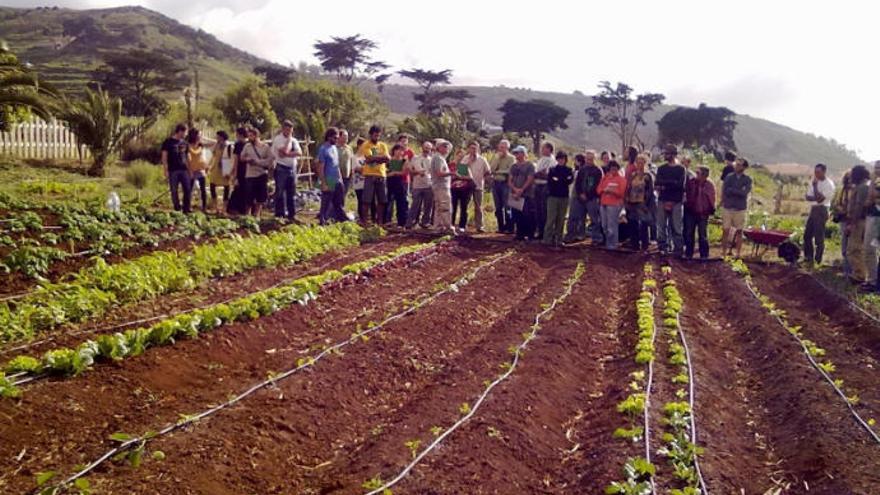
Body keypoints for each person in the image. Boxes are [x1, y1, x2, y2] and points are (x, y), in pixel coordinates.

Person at [655, 145, 687, 256]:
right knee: (661, 225)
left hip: (676, 202)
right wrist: (671, 183)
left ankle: (678, 249)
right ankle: (663, 247)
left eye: (667, 153)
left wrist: (665, 184)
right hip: (662, 200)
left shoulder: (681, 169)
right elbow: (658, 183)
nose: (665, 155)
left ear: (673, 155)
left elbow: (680, 186)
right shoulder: (661, 168)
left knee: (677, 226)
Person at [566, 150, 604, 244]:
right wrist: (580, 194)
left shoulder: (598, 171)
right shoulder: (582, 169)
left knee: (595, 219)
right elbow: (577, 183)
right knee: (576, 217)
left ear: (594, 159)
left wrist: (588, 195)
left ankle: (596, 238)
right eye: (587, 159)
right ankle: (574, 235)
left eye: (591, 159)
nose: (589, 161)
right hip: (580, 197)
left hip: (592, 198)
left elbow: (598, 185)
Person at [802, 163, 836, 267]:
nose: (816, 174)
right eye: (815, 172)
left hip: (822, 210)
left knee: (818, 236)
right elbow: (808, 197)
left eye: (818, 172)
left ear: (824, 172)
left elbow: (821, 199)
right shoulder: (814, 182)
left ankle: (818, 259)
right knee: (807, 235)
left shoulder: (828, 184)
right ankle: (808, 257)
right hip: (814, 209)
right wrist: (816, 196)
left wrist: (816, 188)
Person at [357, 125, 390, 225]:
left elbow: (388, 158)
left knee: (382, 200)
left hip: (381, 174)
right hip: (369, 174)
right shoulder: (365, 145)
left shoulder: (383, 145)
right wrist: (381, 158)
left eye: (379, 136)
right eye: (375, 135)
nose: (377, 137)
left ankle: (379, 222)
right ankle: (365, 221)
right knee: (367, 200)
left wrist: (375, 158)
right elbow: (369, 159)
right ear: (370, 135)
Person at [721, 158, 753, 258]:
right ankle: (724, 253)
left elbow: (744, 193)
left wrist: (732, 190)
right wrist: (738, 190)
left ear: (744, 167)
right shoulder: (729, 177)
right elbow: (725, 190)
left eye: (739, 165)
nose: (737, 166)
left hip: (740, 208)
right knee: (725, 230)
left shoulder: (747, 179)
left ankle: (738, 254)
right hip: (728, 207)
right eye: (736, 164)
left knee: (739, 231)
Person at [624, 153, 656, 251]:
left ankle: (645, 246)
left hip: (643, 203)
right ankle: (635, 245)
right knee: (633, 224)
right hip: (632, 202)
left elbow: (650, 190)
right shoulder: (633, 175)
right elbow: (629, 187)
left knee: (644, 225)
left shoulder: (648, 176)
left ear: (645, 163)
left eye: (641, 163)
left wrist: (646, 203)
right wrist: (627, 200)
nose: (639, 165)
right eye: (638, 163)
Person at [316, 127, 348, 225]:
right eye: (335, 138)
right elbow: (320, 167)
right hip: (329, 179)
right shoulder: (323, 149)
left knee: (339, 203)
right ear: (329, 137)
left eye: (337, 138)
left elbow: (336, 164)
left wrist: (341, 179)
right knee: (326, 203)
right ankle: (322, 222)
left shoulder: (334, 148)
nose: (336, 140)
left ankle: (341, 221)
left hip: (337, 179)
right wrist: (323, 183)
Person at [271, 120, 301, 221]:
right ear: (283, 129)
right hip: (281, 168)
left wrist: (287, 154)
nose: (289, 132)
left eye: (290, 130)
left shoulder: (295, 140)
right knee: (280, 192)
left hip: (292, 169)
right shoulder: (278, 139)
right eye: (287, 129)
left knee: (291, 192)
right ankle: (280, 214)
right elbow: (283, 151)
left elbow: (299, 152)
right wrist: (288, 141)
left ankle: (292, 214)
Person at [683, 166, 716, 259]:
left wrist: (710, 210)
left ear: (704, 175)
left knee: (702, 234)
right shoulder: (691, 183)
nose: (696, 174)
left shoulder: (709, 185)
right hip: (691, 211)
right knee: (689, 233)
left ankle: (704, 255)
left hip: (703, 213)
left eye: (698, 173)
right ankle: (688, 254)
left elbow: (712, 199)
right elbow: (687, 195)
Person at [240, 127, 274, 217]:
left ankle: (257, 215)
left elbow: (270, 159)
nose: (249, 138)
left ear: (256, 136)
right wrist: (248, 159)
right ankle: (247, 215)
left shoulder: (265, 147)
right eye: (248, 136)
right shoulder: (247, 146)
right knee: (249, 196)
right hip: (250, 175)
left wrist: (259, 162)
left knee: (260, 196)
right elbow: (241, 157)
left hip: (261, 174)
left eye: (251, 136)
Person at [543, 150, 574, 247]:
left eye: (563, 159)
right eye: (559, 159)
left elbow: (569, 180)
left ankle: (559, 239)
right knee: (551, 218)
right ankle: (547, 239)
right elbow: (551, 182)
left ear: (566, 160)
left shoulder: (569, 170)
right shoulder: (552, 170)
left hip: (564, 197)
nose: (561, 161)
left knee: (561, 219)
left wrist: (559, 180)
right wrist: (562, 180)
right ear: (557, 159)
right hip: (553, 197)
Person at [846, 165, 871, 284]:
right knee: (857, 249)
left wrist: (852, 223)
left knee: (854, 249)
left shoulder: (862, 188)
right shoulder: (864, 186)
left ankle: (860, 275)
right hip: (861, 221)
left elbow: (858, 207)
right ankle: (860, 274)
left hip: (859, 222)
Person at [461, 141, 491, 233]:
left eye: (475, 148)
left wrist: (487, 181)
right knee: (464, 206)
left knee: (478, 207)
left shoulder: (482, 159)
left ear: (478, 149)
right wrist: (468, 163)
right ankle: (463, 225)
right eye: (471, 148)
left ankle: (479, 226)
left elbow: (488, 172)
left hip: (478, 186)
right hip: (466, 186)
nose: (473, 150)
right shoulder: (465, 158)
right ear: (469, 149)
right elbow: (461, 171)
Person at [161, 123, 191, 213]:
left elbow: (187, 158)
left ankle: (186, 209)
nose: (186, 134)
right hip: (173, 170)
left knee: (187, 189)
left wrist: (190, 170)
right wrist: (165, 170)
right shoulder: (168, 142)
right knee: (174, 190)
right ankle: (177, 208)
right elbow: (164, 157)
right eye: (185, 132)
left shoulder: (185, 143)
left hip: (184, 170)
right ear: (180, 131)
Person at [508, 145, 536, 241]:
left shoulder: (530, 165)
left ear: (523, 154)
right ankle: (519, 234)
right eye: (515, 153)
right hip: (515, 194)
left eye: (518, 153)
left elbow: (530, 179)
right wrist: (515, 189)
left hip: (527, 194)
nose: (516, 155)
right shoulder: (513, 166)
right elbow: (510, 180)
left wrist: (521, 189)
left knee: (527, 215)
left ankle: (529, 234)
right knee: (516, 215)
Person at [598, 160, 626, 249]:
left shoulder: (621, 180)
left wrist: (613, 191)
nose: (613, 171)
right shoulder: (605, 178)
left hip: (614, 205)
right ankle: (608, 243)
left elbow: (622, 193)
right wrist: (604, 190)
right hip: (604, 203)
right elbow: (598, 190)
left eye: (615, 169)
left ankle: (612, 245)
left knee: (612, 226)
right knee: (604, 225)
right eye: (611, 169)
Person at [489, 140, 516, 233]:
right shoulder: (496, 157)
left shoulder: (511, 158)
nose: (502, 149)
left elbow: (510, 171)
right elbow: (491, 169)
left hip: (506, 183)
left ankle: (510, 227)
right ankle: (500, 227)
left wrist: (498, 171)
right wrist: (497, 160)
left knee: (507, 206)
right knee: (498, 206)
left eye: (504, 147)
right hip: (496, 183)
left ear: (508, 148)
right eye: (500, 147)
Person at [406, 141, 434, 229]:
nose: (427, 150)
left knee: (428, 206)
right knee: (415, 205)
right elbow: (410, 171)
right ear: (422, 148)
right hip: (417, 186)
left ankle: (425, 223)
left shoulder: (431, 160)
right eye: (426, 148)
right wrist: (417, 172)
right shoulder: (415, 158)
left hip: (428, 185)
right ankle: (410, 223)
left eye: (429, 148)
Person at [862, 161, 880, 289]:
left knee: (869, 249)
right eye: (875, 168)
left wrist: (873, 184)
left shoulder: (875, 182)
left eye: (879, 168)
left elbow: (872, 196)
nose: (876, 170)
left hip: (876, 218)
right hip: (872, 216)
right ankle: (871, 279)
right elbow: (869, 198)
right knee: (869, 249)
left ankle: (873, 281)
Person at [533, 142, 556, 240]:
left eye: (544, 148)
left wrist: (539, 173)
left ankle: (547, 233)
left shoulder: (552, 161)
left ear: (549, 149)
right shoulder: (541, 159)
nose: (542, 150)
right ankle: (540, 231)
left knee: (544, 209)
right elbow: (536, 173)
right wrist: (538, 173)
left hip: (545, 186)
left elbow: (547, 175)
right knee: (538, 209)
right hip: (537, 185)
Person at [832, 171, 853, 278]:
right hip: (843, 220)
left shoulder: (855, 191)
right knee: (844, 246)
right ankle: (847, 271)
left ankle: (853, 272)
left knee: (852, 247)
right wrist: (841, 209)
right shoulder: (842, 191)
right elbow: (836, 204)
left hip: (853, 221)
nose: (849, 181)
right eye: (847, 178)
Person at [431, 139, 455, 233]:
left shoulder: (440, 158)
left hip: (439, 185)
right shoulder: (438, 158)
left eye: (447, 146)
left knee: (439, 207)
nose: (447, 148)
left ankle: (438, 227)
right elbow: (439, 173)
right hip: (441, 186)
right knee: (445, 206)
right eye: (444, 146)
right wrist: (452, 173)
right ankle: (448, 227)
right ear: (438, 148)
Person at [186, 128, 210, 212]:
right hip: (191, 169)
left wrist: (206, 167)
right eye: (199, 135)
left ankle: (204, 207)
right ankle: (188, 206)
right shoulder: (188, 145)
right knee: (189, 189)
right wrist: (190, 171)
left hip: (201, 169)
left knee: (203, 189)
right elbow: (187, 159)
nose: (200, 136)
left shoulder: (201, 145)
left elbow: (213, 143)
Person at [226, 127, 249, 215]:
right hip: (248, 169)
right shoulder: (249, 143)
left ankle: (236, 209)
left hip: (241, 169)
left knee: (239, 189)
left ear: (240, 135)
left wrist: (234, 173)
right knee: (244, 189)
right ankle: (244, 210)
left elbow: (236, 160)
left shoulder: (239, 145)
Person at [208, 130, 233, 212]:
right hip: (216, 168)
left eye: (218, 136)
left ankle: (224, 207)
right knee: (212, 184)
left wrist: (231, 170)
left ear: (222, 137)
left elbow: (232, 158)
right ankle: (215, 206)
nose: (217, 138)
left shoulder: (229, 146)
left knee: (226, 187)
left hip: (225, 168)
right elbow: (213, 155)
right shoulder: (216, 145)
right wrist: (209, 165)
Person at [450, 148, 473, 233]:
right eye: (459, 156)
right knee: (453, 207)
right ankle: (451, 224)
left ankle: (462, 225)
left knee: (464, 207)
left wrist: (459, 177)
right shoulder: (450, 165)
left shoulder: (463, 166)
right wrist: (453, 176)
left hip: (464, 189)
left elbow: (470, 177)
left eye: (462, 156)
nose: (460, 158)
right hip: (453, 189)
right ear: (455, 155)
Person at [386, 143, 410, 227]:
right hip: (389, 182)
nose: (400, 152)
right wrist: (390, 174)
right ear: (394, 150)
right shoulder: (388, 160)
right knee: (388, 201)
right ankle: (387, 220)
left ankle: (402, 222)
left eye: (401, 150)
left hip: (400, 182)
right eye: (398, 150)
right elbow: (385, 172)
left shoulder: (404, 161)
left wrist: (394, 172)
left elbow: (404, 172)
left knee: (402, 202)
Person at [352, 137, 370, 222]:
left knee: (366, 201)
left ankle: (366, 218)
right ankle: (362, 218)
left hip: (367, 183)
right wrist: (367, 169)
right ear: (359, 146)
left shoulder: (366, 157)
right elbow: (358, 169)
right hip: (358, 183)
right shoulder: (354, 158)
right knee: (361, 200)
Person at [337, 129, 353, 196]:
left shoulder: (349, 148)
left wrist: (352, 171)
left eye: (347, 136)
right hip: (335, 177)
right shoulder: (334, 148)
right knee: (334, 196)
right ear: (339, 137)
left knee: (343, 194)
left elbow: (351, 160)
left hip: (346, 177)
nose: (346, 138)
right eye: (344, 136)